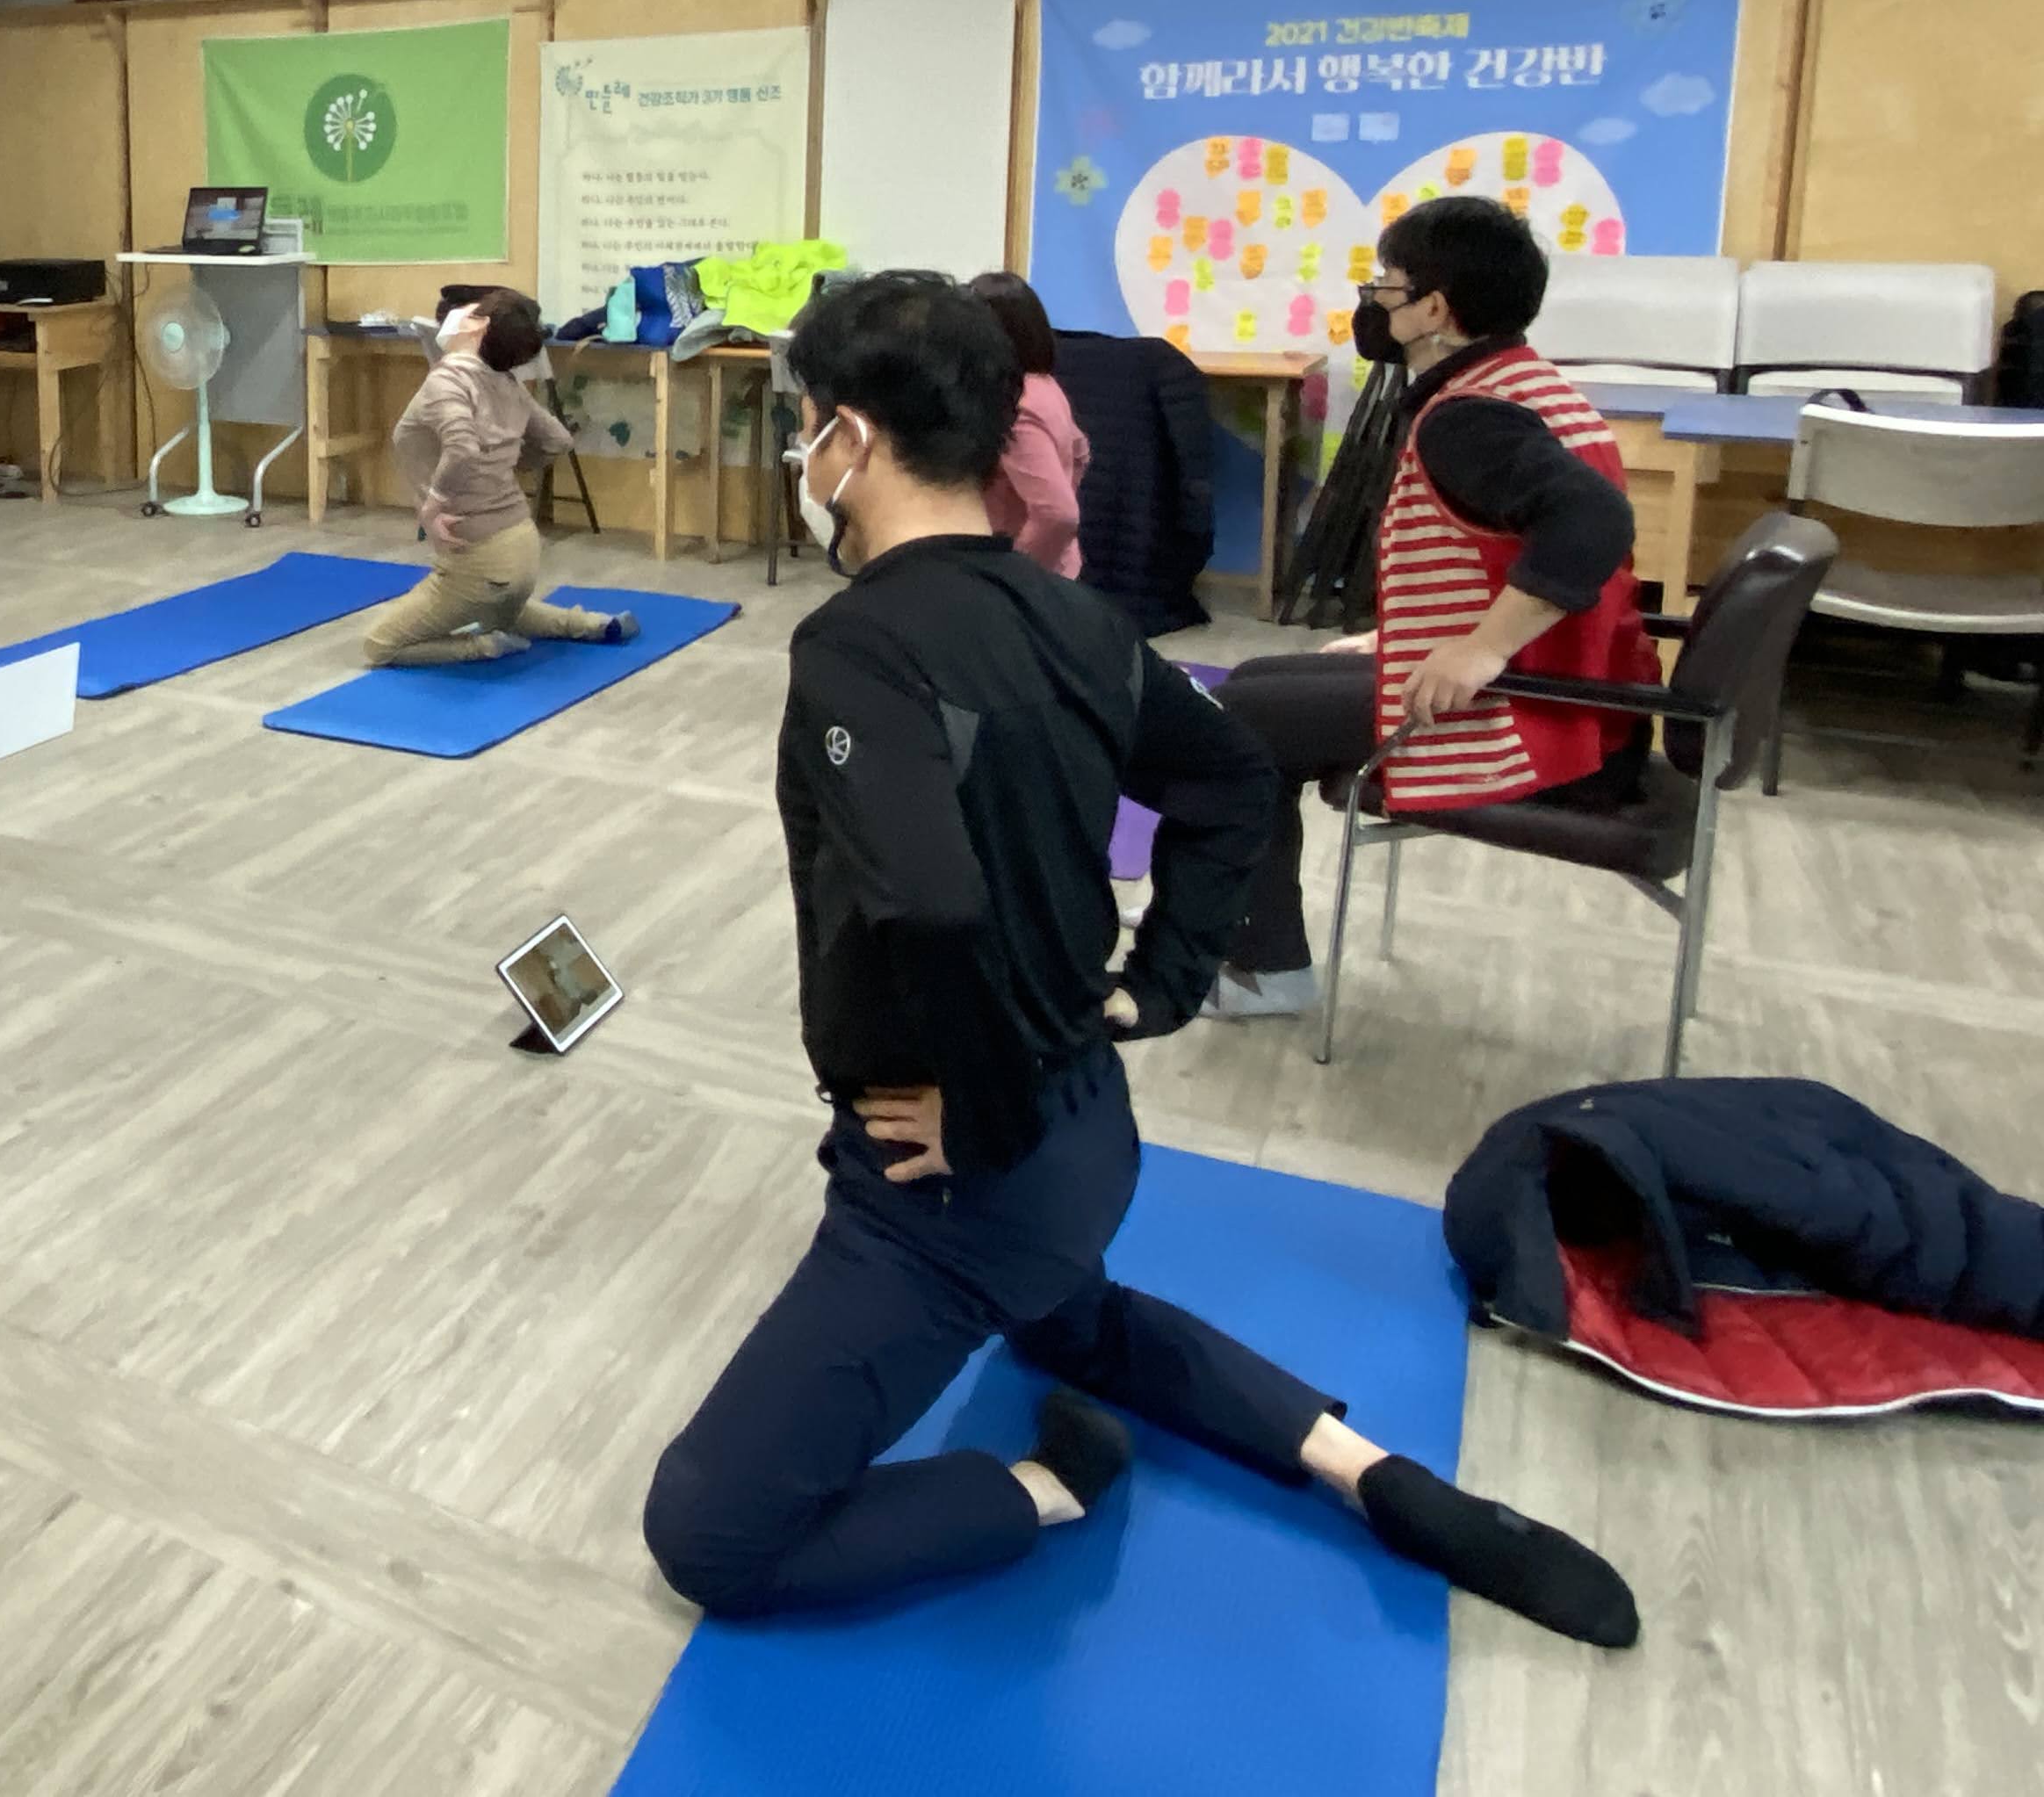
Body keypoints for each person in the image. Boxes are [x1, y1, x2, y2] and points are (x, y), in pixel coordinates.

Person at [638, 271, 1636, 1646]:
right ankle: (1370, 1470)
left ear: (848, 437)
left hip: (954, 1181)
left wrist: (982, 1117)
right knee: (1070, 1318)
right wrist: (1152, 986)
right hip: (1087, 1138)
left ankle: (1051, 1486)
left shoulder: (857, 646)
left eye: (806, 425)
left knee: (709, 1535)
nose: (804, 454)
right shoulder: (1081, 618)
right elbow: (1231, 780)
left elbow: (929, 903)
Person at [1202, 196, 1655, 1020]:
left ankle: (1262, 969)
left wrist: (1479, 649)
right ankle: (1243, 931)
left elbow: (1593, 522)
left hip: (1537, 712)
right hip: (1579, 691)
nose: (1374, 301)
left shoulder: (1468, 419)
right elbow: (1498, 545)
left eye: (1387, 283)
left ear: (1435, 309)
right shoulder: (1517, 380)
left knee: (1236, 723)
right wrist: (1408, 634)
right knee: (1260, 678)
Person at [361, 290, 637, 666]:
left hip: (480, 561)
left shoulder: (448, 383)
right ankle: (591, 624)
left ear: (478, 325)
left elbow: (462, 449)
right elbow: (558, 440)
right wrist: (508, 464)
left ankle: (483, 647)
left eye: (470, 308)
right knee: (499, 610)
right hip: (521, 550)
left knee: (379, 645)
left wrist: (433, 506)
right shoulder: (506, 383)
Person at [964, 270, 1089, 575]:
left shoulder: (1017, 407)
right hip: (1055, 567)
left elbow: (1058, 514)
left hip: (1027, 575)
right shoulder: (1044, 385)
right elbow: (1081, 452)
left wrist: (1016, 572)